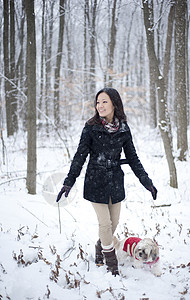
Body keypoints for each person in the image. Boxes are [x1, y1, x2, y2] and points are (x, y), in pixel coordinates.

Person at [56, 87, 157, 276]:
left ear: (114, 104)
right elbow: (80, 156)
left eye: (104, 101)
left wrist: (147, 182)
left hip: (115, 182)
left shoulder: (124, 129)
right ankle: (112, 266)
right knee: (105, 224)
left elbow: (133, 158)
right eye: (98, 102)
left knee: (114, 222)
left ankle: (100, 247)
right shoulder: (91, 127)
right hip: (96, 181)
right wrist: (68, 181)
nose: (100, 105)